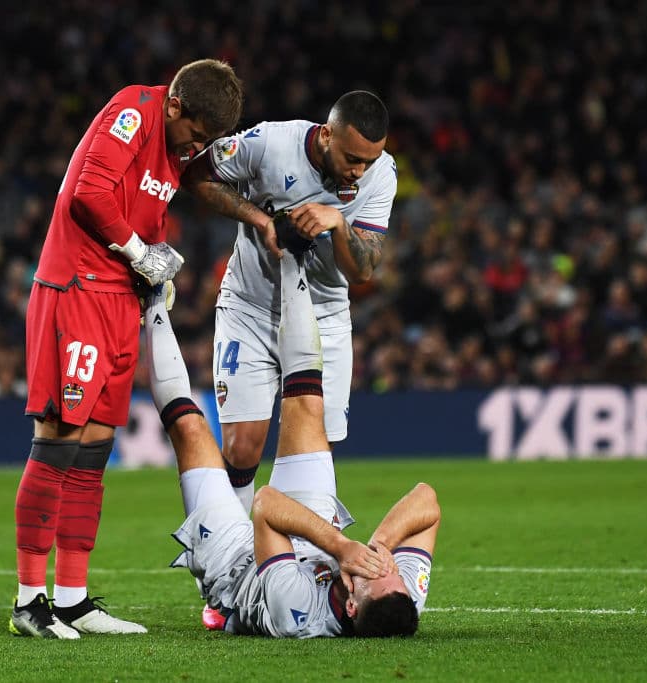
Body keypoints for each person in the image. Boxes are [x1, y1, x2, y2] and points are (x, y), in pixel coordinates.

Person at [9, 59, 244, 640]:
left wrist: (154, 256)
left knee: (94, 451)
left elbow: (146, 202)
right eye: (195, 133)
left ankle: (71, 598)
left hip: (119, 298)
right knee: (59, 437)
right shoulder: (134, 112)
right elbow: (89, 195)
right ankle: (28, 602)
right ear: (174, 105)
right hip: (77, 288)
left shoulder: (175, 145)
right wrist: (141, 250)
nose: (198, 146)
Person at [143, 243, 439, 638]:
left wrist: (341, 548)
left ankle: (150, 298)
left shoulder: (295, 610)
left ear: (351, 604)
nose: (385, 569)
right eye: (393, 572)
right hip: (318, 550)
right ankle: (291, 252)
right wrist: (379, 546)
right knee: (306, 405)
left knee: (189, 426)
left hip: (239, 566)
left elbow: (266, 505)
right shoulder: (399, 599)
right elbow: (427, 500)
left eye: (374, 574)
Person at [182, 90, 397, 514]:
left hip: (325, 317)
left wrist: (336, 223)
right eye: (352, 158)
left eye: (368, 161)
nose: (359, 171)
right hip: (251, 307)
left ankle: (301, 562)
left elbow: (363, 270)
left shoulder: (381, 175)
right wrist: (261, 219)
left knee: (316, 452)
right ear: (325, 136)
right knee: (242, 447)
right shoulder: (268, 144)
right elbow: (194, 176)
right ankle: (233, 560)